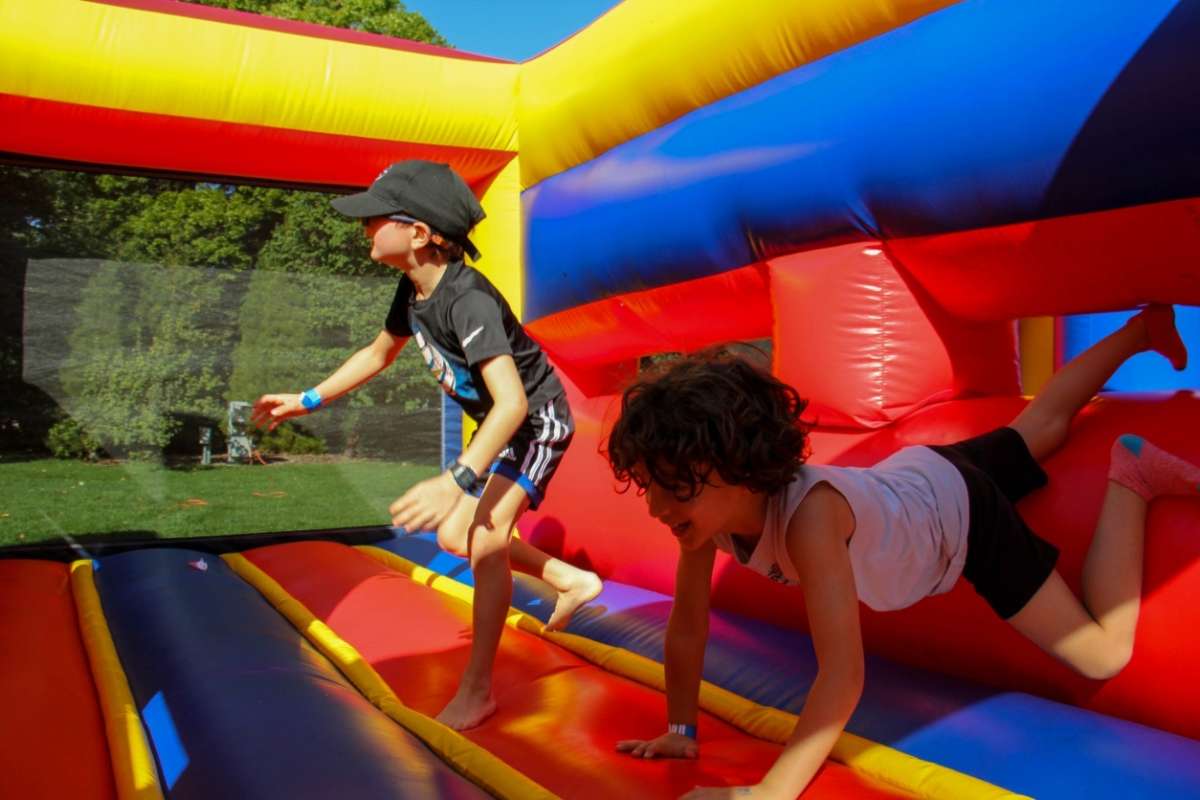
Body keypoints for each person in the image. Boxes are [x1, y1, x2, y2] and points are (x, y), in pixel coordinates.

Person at [604, 305, 1197, 799]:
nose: (656, 506)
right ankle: (1141, 330)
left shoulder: (810, 521)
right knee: (1041, 427)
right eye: (650, 483)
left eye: (674, 485)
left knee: (1101, 655)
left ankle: (1131, 478)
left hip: (962, 518)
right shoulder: (706, 523)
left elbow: (841, 678)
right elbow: (687, 625)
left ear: (737, 469)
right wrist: (681, 728)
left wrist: (768, 793)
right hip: (918, 477)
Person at [251, 160, 601, 729]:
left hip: (535, 424)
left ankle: (477, 689)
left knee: (485, 540)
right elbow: (377, 353)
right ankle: (569, 579)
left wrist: (456, 479)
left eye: (375, 218)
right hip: (501, 424)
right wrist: (307, 399)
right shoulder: (413, 290)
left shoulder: (468, 300)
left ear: (418, 234)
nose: (364, 227)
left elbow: (513, 403)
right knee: (452, 534)